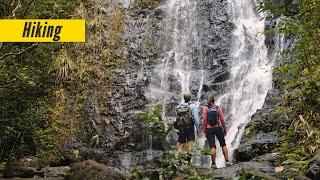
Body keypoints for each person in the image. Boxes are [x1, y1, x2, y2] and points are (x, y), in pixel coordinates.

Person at [200, 95, 231, 168]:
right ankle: (227, 161)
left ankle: (213, 164)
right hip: (218, 128)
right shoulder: (218, 108)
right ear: (214, 101)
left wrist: (203, 130)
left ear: (207, 101)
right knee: (223, 144)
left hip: (209, 129)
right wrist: (225, 129)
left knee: (212, 146)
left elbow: (204, 120)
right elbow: (222, 119)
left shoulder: (206, 108)